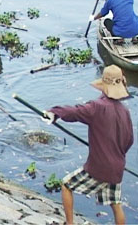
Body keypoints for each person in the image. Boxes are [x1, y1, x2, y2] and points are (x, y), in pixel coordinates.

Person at [43, 65, 133, 225]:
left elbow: (75, 112)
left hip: (100, 166)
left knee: (66, 185)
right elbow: (129, 141)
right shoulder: (124, 111)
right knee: (115, 203)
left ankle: (69, 223)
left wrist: (54, 112)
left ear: (103, 86)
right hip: (118, 166)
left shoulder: (98, 107)